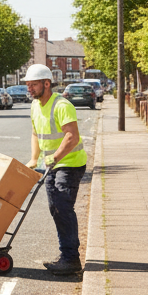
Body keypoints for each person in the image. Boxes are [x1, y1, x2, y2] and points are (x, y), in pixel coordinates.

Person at [23, 63, 88, 275]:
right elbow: (35, 134)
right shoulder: (34, 106)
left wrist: (54, 157)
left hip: (70, 163)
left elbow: (72, 136)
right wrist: (34, 159)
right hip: (51, 164)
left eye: (33, 85)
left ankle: (71, 259)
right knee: (56, 208)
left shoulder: (62, 105)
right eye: (28, 85)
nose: (29, 88)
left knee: (62, 206)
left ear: (47, 83)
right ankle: (67, 255)